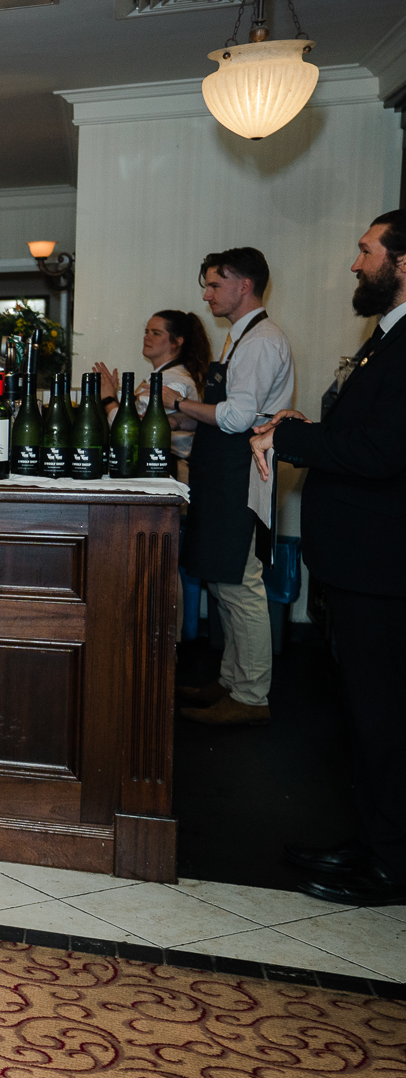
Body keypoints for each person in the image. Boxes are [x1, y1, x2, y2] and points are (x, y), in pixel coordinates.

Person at [253, 210, 406, 906]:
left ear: (403, 261)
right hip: (357, 564)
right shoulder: (385, 339)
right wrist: (308, 428)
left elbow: (382, 454)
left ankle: (393, 863)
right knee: (364, 715)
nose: (356, 263)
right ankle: (372, 839)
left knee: (385, 718)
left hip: (383, 568)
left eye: (366, 250)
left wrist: (293, 442)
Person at [171, 249, 293, 726]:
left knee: (242, 584)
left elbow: (239, 417)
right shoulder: (236, 340)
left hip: (241, 475)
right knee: (223, 582)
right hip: (222, 472)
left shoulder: (262, 341)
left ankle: (251, 696)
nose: (206, 295)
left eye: (214, 285)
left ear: (245, 285)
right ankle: (229, 680)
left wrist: (180, 402)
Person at [92, 309, 210, 467]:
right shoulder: (162, 375)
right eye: (146, 331)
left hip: (163, 464)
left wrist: (108, 400)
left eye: (156, 333)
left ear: (177, 342)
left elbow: (138, 432)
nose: (147, 337)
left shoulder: (173, 380)